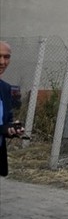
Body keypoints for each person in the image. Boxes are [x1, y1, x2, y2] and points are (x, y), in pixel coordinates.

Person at [1, 40, 25, 177]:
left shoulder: (5, 88)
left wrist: (12, 129)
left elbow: (7, 121)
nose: (2, 62)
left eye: (6, 57)